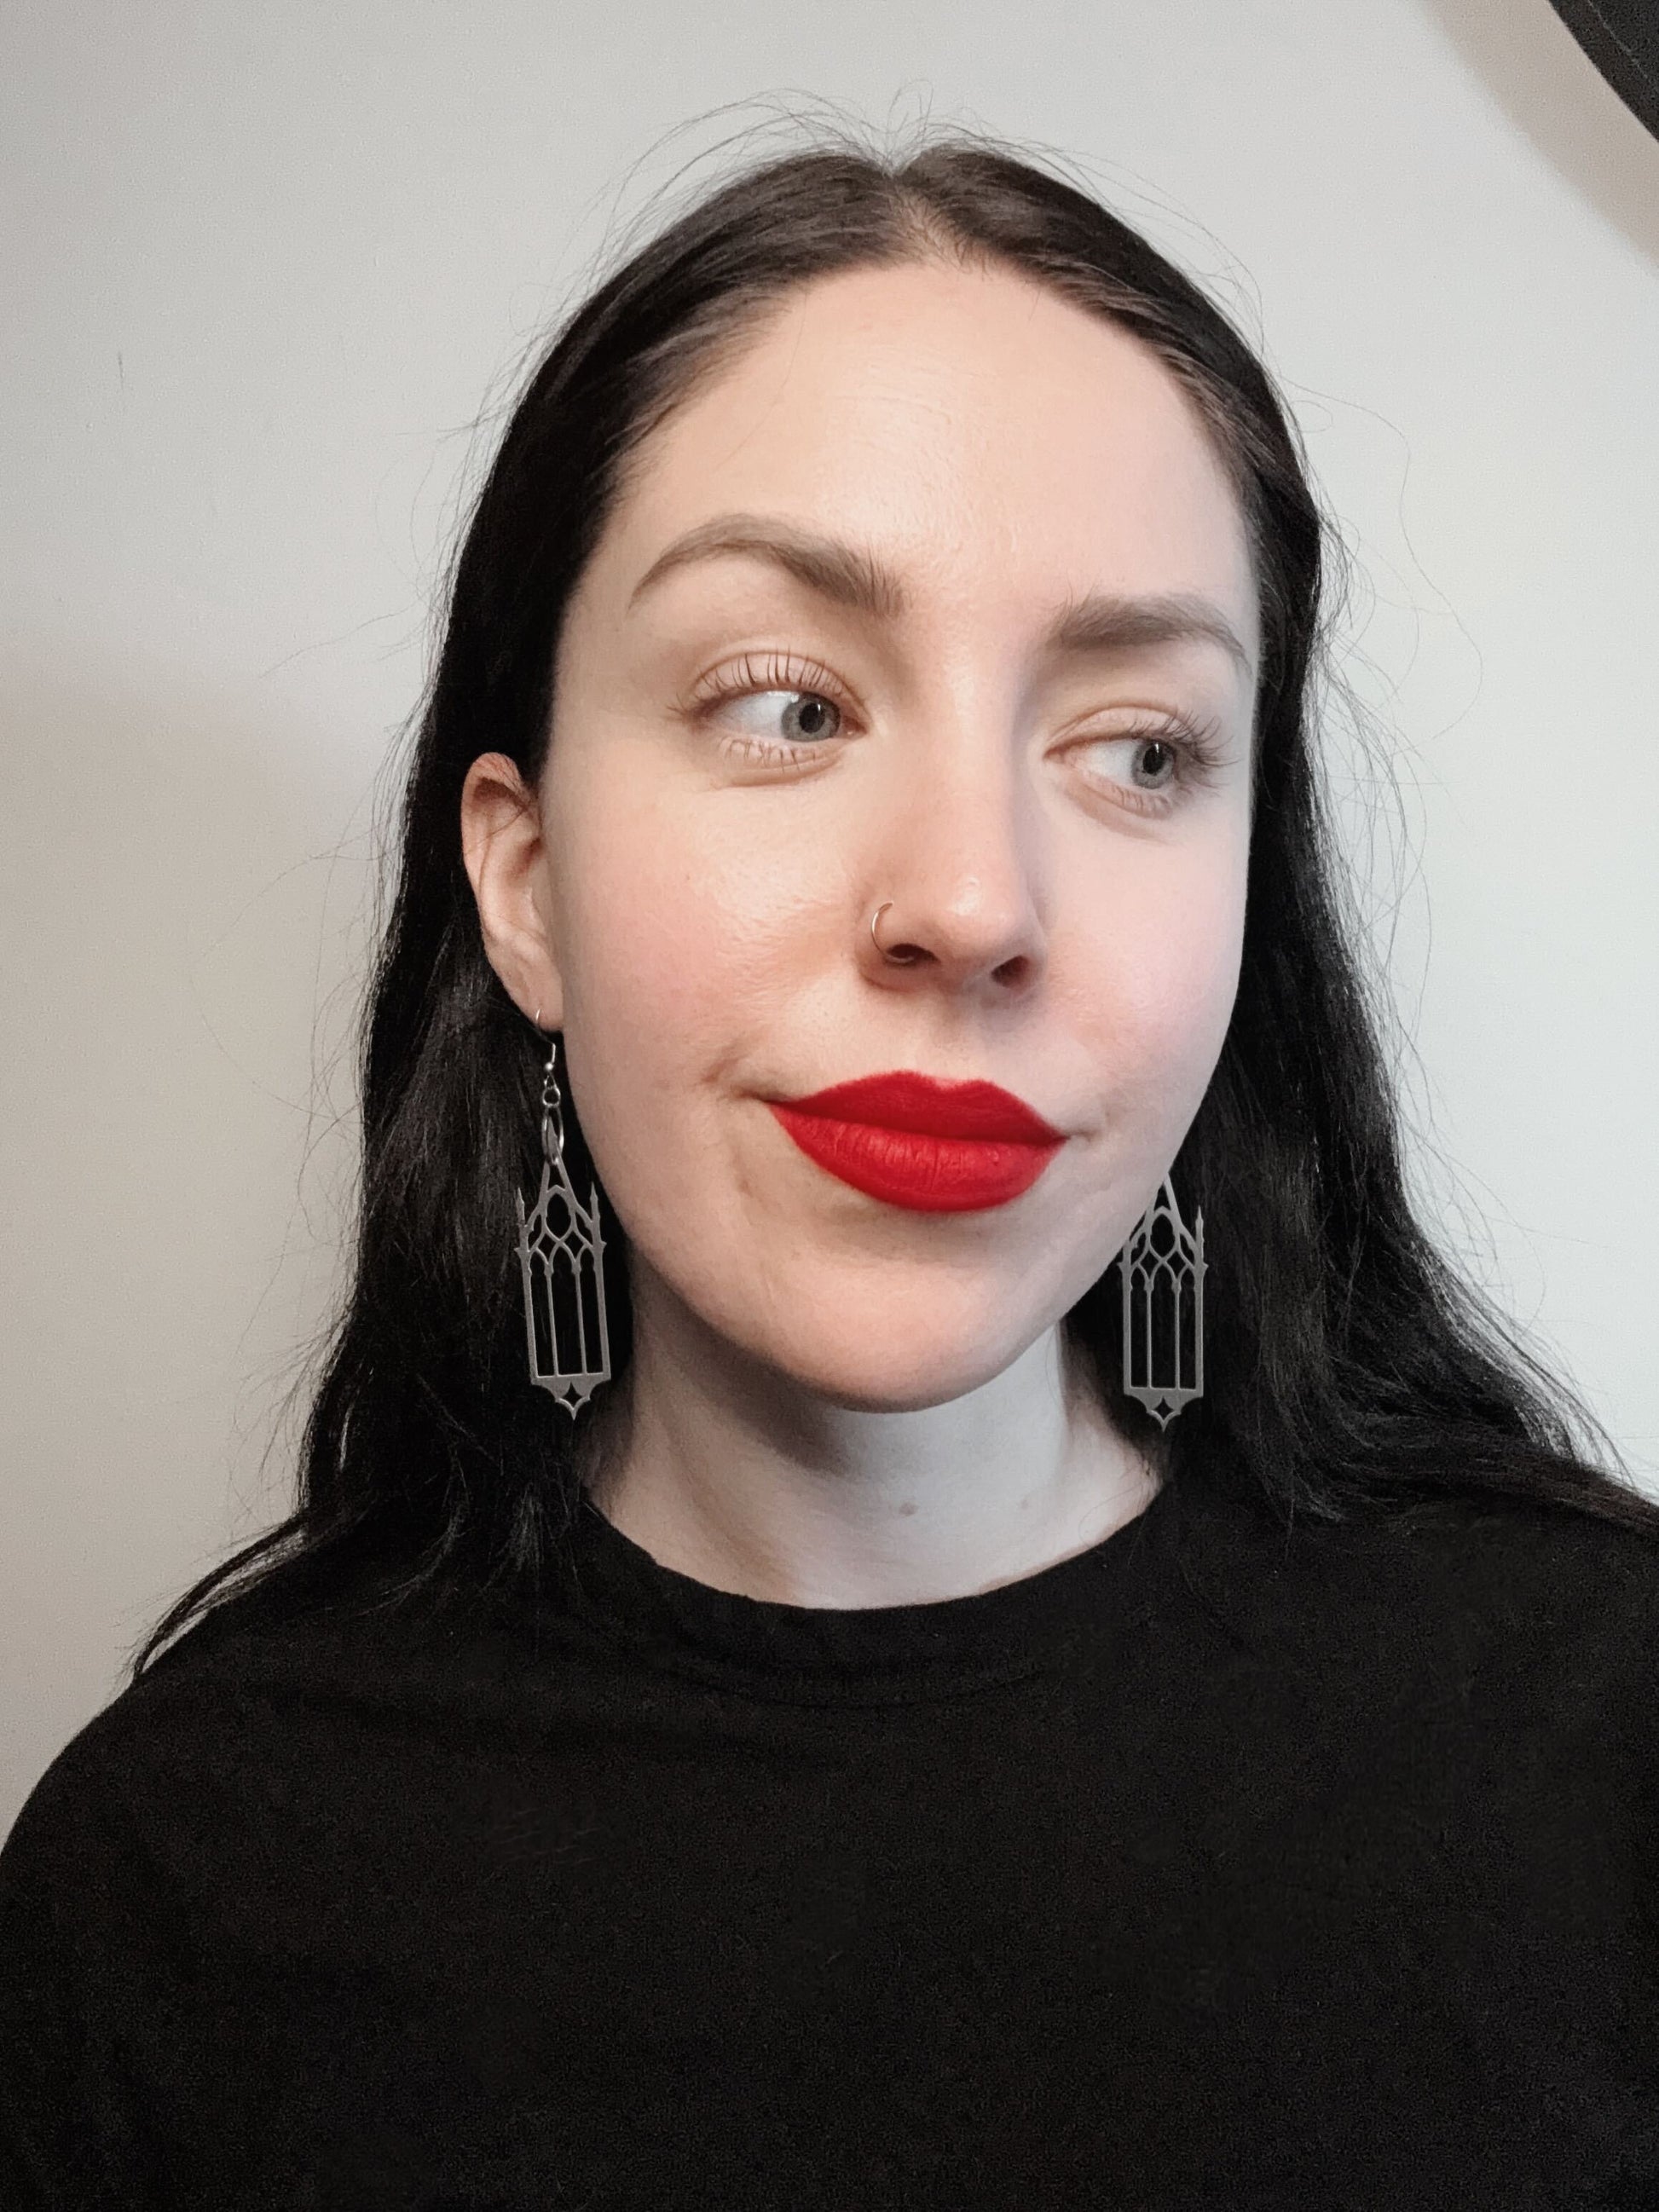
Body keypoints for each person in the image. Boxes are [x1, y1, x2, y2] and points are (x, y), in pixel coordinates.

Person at [3, 123, 1657, 2209]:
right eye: (785, 706)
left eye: (1142, 747)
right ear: (523, 880)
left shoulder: (1598, 1742)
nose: (970, 898)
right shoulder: (170, 1901)